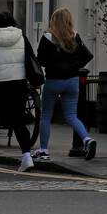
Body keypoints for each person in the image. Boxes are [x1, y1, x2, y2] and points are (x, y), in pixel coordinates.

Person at [35, 8, 96, 162]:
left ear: (54, 20)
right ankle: (87, 139)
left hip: (54, 80)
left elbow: (40, 60)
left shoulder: (48, 37)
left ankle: (43, 150)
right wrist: (73, 66)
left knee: (46, 115)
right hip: (73, 81)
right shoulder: (75, 36)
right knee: (71, 116)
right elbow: (87, 56)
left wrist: (54, 64)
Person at [0, 11, 41, 172]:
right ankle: (26, 157)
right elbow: (29, 57)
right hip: (18, 83)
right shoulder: (21, 36)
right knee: (18, 121)